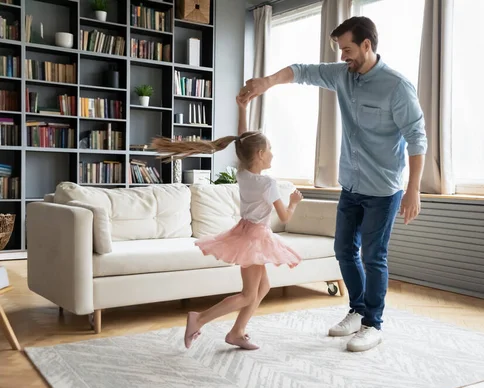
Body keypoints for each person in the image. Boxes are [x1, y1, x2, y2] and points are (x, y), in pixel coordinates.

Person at [238, 16, 428, 352]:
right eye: (341, 50)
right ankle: (357, 310)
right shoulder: (343, 75)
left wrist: (413, 189)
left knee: (374, 256)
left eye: (348, 49)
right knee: (343, 250)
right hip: (351, 185)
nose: (343, 56)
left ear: (367, 45)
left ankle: (373, 324)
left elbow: (416, 138)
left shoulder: (397, 86)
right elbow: (301, 71)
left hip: (384, 189)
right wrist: (267, 82)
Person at [151, 95, 304, 350]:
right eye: (270, 150)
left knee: (263, 286)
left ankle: (237, 331)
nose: (273, 154)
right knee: (248, 294)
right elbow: (286, 217)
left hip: (246, 233)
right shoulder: (268, 184)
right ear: (261, 154)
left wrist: (242, 109)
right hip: (255, 238)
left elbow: (242, 140)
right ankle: (199, 319)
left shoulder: (243, 173)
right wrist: (294, 202)